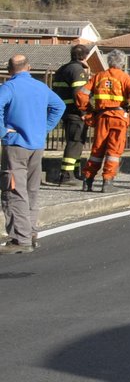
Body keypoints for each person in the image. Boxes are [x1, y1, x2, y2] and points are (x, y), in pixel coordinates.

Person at [0, 54, 66, 254]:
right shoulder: (41, 87)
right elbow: (59, 106)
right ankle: (31, 232)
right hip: (36, 145)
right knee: (31, 190)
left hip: (16, 145)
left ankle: (20, 239)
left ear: (10, 69)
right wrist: (44, 128)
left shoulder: (9, 87)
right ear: (28, 67)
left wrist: (3, 131)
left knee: (14, 191)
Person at [82, 49, 130, 192]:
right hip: (119, 117)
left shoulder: (98, 76)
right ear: (122, 63)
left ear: (108, 61)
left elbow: (81, 94)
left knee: (97, 149)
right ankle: (107, 182)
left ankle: (87, 180)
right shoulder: (125, 77)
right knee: (114, 151)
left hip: (102, 117)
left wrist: (88, 110)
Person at [48, 43, 91, 184]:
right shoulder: (77, 70)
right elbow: (79, 94)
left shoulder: (63, 69)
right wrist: (83, 111)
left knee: (75, 142)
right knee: (75, 142)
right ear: (85, 56)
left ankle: (75, 172)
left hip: (65, 111)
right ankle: (67, 175)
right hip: (75, 111)